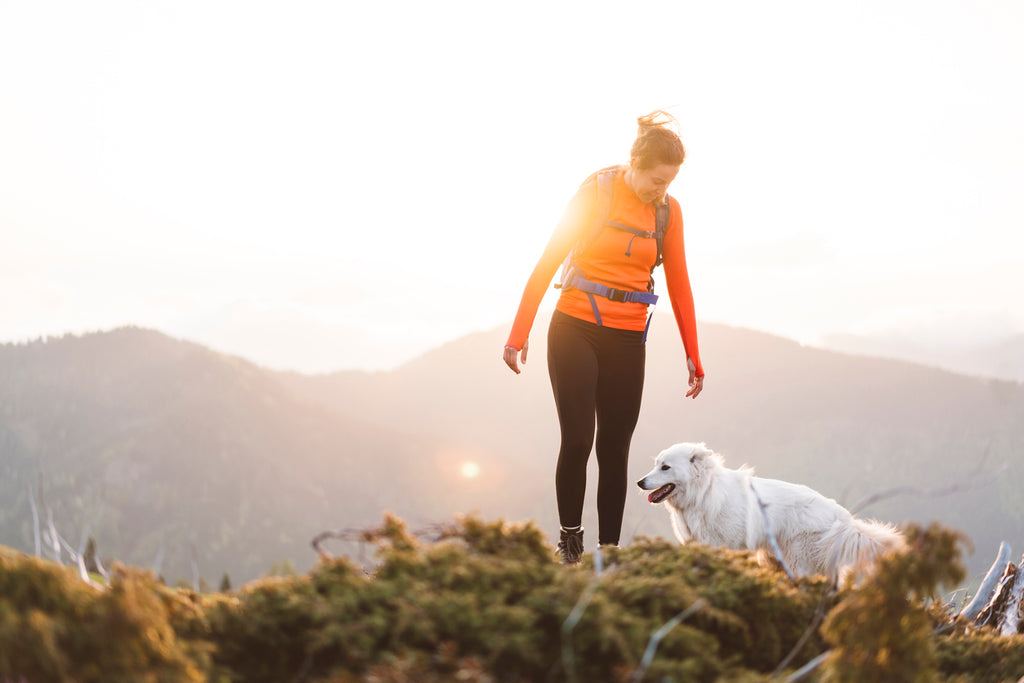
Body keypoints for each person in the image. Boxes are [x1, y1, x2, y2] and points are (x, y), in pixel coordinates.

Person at [502, 110, 705, 565]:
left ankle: (608, 556)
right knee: (577, 439)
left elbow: (680, 283)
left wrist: (693, 355)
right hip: (575, 326)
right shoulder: (595, 194)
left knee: (615, 449)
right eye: (656, 180)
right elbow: (548, 260)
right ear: (635, 162)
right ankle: (570, 546)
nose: (661, 190)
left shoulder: (667, 213)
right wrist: (519, 333)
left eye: (669, 183)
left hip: (628, 337)